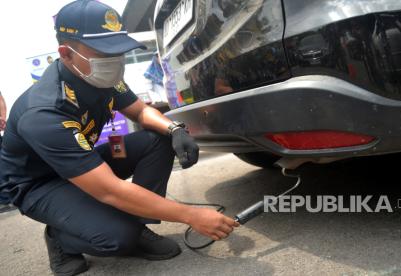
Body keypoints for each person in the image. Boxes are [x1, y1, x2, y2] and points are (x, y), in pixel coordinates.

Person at [0, 1, 239, 275]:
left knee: (157, 139)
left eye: (120, 51)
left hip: (82, 162)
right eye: (104, 52)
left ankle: (136, 225)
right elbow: (107, 190)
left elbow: (139, 110)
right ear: (66, 54)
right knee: (117, 237)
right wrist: (190, 215)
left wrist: (175, 130)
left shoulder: (101, 77)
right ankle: (61, 237)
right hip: (41, 183)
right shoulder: (43, 111)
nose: (115, 61)